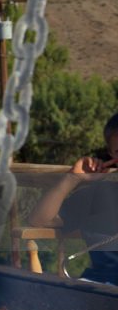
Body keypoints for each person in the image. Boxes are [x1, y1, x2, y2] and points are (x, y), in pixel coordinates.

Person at [27, 112, 118, 286]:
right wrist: (72, 179)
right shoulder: (99, 195)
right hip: (101, 288)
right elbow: (39, 220)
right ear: (112, 155)